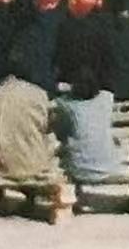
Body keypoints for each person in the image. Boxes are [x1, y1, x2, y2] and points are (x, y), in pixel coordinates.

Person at [52, 62, 123, 200]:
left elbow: (60, 134)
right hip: (108, 166)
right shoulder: (106, 98)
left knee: (64, 152)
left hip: (79, 168)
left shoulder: (66, 105)